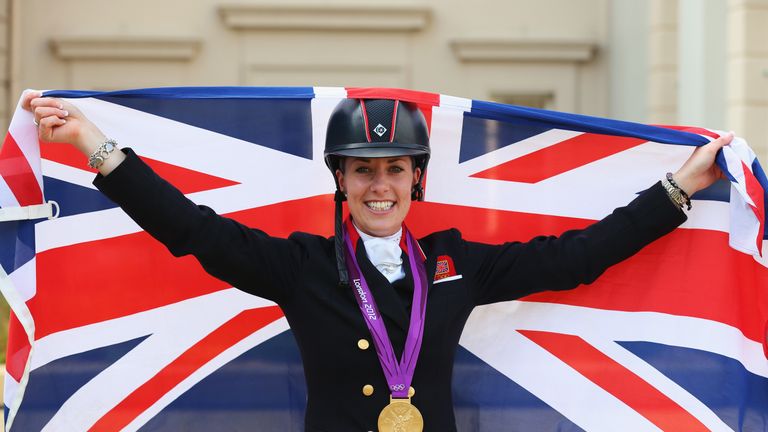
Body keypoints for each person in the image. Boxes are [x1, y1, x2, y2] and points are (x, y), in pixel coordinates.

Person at [24, 91, 731, 432]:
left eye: (395, 169)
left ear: (418, 179)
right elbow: (192, 230)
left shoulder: (457, 263)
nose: (380, 186)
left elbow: (576, 258)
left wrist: (678, 190)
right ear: (340, 181)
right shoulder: (300, 266)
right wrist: (94, 145)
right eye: (363, 172)